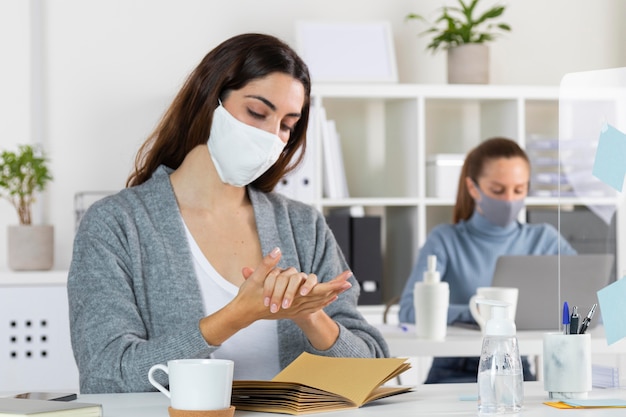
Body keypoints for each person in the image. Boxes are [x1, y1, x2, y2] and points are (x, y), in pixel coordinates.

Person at [67, 33, 389, 394]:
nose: (272, 137)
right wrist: (235, 316)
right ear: (209, 100)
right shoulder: (116, 225)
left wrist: (309, 316)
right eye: (257, 112)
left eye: (286, 125)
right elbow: (105, 375)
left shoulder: (303, 225)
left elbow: (371, 370)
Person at [398, 137, 576, 384]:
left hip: (516, 369)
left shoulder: (544, 239)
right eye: (497, 190)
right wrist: (480, 313)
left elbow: (585, 299)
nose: (509, 200)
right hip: (454, 370)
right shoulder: (445, 239)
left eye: (519, 189)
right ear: (473, 188)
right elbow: (408, 311)